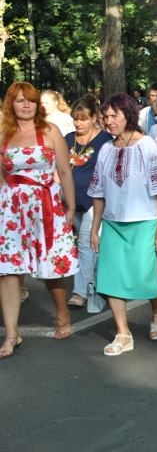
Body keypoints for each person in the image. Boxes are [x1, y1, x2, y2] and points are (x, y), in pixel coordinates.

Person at [87, 94, 157, 356]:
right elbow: (99, 193)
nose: (108, 121)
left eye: (114, 116)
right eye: (105, 116)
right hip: (112, 223)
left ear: (128, 116)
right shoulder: (105, 149)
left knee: (143, 279)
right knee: (110, 278)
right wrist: (94, 228)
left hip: (145, 221)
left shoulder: (146, 145)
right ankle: (123, 334)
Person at [0, 82, 78, 358]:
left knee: (51, 266)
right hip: (11, 209)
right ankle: (12, 334)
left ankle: (61, 312)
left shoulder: (49, 131)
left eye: (30, 100)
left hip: (46, 205)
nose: (26, 105)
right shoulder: (3, 134)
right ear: (12, 104)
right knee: (8, 270)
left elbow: (65, 172)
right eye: (20, 101)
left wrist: (69, 208)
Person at [65, 96, 113, 308]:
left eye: (83, 119)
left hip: (96, 201)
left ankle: (80, 291)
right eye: (76, 119)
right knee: (84, 246)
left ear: (94, 118)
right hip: (70, 201)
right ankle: (100, 282)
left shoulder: (104, 140)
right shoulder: (68, 139)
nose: (78, 123)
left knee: (85, 242)